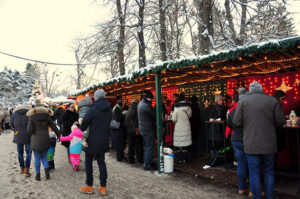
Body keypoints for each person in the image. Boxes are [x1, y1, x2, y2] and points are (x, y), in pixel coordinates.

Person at [233, 81, 286, 199]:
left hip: (251, 144)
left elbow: (236, 122)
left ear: (250, 90)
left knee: (254, 172)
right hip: (269, 144)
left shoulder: (243, 101)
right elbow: (281, 121)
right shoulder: (272, 101)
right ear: (261, 89)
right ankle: (270, 196)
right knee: (268, 172)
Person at [79, 89, 112, 195]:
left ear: (96, 98)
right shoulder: (109, 109)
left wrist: (80, 122)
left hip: (91, 140)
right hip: (103, 140)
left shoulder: (92, 109)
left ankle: (89, 186)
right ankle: (103, 187)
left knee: (88, 163)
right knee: (101, 162)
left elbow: (84, 125)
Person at [26, 99, 61, 181]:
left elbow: (29, 130)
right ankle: (47, 174)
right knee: (45, 157)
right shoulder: (46, 116)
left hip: (35, 140)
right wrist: (59, 135)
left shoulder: (32, 117)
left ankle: (38, 175)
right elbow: (54, 126)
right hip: (45, 138)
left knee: (37, 158)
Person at [226, 88, 250, 195]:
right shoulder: (249, 110)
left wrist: (227, 136)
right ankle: (252, 190)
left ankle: (241, 188)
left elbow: (229, 125)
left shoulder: (232, 111)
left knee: (241, 163)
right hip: (247, 139)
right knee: (252, 163)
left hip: (236, 139)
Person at [10, 104, 32, 177]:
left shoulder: (14, 114)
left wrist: (15, 130)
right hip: (28, 136)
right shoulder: (29, 114)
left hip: (18, 135)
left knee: (20, 153)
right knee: (29, 153)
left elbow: (11, 124)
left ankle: (22, 169)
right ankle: (27, 169)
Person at [138, 90, 156, 170]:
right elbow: (154, 115)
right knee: (150, 147)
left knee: (148, 146)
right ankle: (147, 165)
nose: (152, 100)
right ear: (148, 98)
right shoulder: (146, 106)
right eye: (151, 99)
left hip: (142, 128)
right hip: (148, 129)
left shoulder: (140, 104)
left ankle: (147, 161)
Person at [172, 93, 192, 163]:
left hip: (179, 127)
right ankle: (185, 158)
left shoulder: (176, 107)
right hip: (186, 126)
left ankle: (179, 159)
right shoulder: (188, 107)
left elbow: (174, 119)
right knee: (185, 144)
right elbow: (190, 116)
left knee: (179, 144)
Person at [124, 99, 143, 164]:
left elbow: (125, 123)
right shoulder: (138, 111)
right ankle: (139, 159)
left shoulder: (128, 112)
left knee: (131, 146)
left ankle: (130, 159)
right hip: (137, 131)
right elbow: (139, 121)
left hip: (130, 132)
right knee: (139, 145)